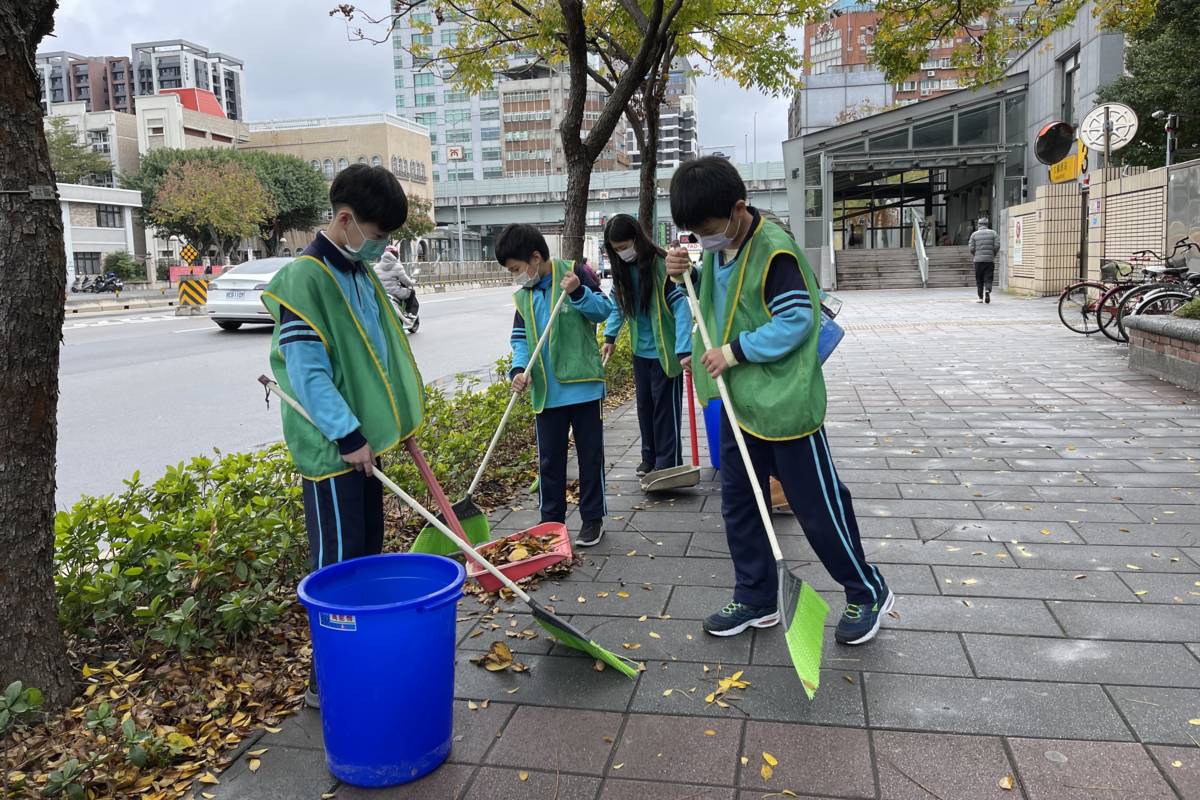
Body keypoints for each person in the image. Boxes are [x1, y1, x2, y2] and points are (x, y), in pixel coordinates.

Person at [664, 156, 891, 645]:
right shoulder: (720, 250)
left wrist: (734, 352)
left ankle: (866, 590)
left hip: (786, 406)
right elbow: (715, 303)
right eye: (694, 234)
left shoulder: (774, 252)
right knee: (741, 505)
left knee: (818, 508)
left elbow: (796, 321)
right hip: (739, 403)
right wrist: (682, 274)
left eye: (707, 230)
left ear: (738, 210)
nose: (703, 239)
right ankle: (755, 596)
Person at [262, 164, 424, 708]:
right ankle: (327, 682)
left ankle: (361, 662)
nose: (380, 248)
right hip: (335, 453)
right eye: (377, 237)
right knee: (338, 567)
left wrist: (395, 422)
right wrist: (349, 434)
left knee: (368, 558)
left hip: (366, 448)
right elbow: (308, 376)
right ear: (347, 220)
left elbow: (379, 358)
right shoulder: (303, 280)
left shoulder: (359, 274)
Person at [497, 224, 613, 547]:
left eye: (517, 269)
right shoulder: (524, 295)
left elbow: (603, 311)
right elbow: (519, 339)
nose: (516, 277)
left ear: (535, 258)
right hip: (546, 393)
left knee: (591, 457)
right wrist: (518, 369)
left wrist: (578, 292)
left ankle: (592, 519)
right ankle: (551, 522)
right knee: (549, 462)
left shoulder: (574, 272)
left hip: (584, 387)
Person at [600, 214, 693, 478]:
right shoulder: (621, 271)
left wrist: (685, 349)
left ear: (637, 239)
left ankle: (669, 462)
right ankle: (648, 458)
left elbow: (682, 307)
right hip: (640, 352)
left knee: (666, 411)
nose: (622, 253)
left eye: (625, 246)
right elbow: (620, 306)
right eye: (616, 249)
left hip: (667, 351)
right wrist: (610, 337)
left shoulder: (661, 265)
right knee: (645, 408)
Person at [969, 217, 999, 304]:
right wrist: (993, 254)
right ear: (987, 224)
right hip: (989, 260)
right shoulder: (993, 233)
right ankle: (987, 290)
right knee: (988, 277)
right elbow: (997, 245)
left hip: (978, 261)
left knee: (979, 279)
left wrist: (975, 254)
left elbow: (971, 247)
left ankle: (980, 298)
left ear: (979, 225)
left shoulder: (974, 234)